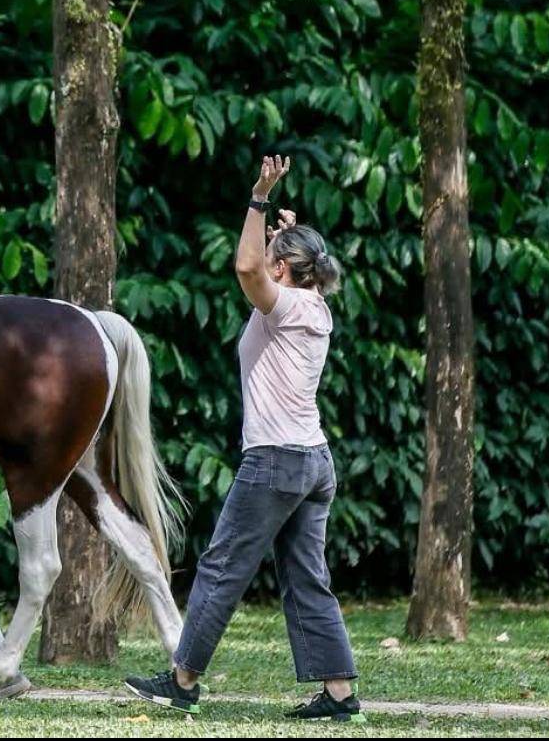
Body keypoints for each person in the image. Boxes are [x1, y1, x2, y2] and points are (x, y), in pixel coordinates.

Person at [125, 156, 364, 722]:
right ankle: (337, 693)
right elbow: (261, 264)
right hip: (312, 461)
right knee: (307, 577)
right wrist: (277, 234)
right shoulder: (310, 304)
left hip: (277, 459)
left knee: (222, 566)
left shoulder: (285, 304)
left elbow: (245, 268)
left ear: (284, 270)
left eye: (276, 262)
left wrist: (258, 199)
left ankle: (182, 681)